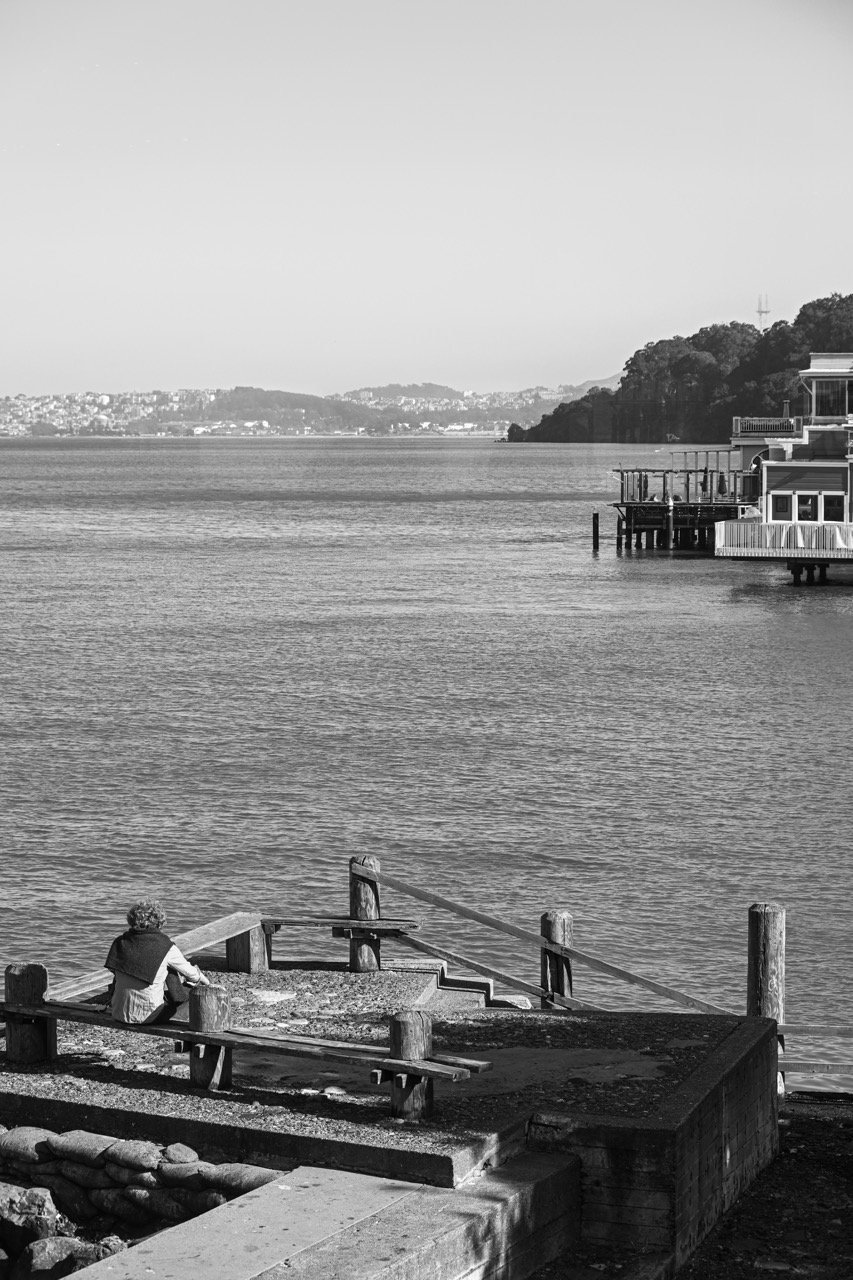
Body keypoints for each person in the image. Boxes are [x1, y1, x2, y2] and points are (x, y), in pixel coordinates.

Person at [105, 898, 210, 1025]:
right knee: (191, 993)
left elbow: (114, 970)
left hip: (118, 1013)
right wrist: (205, 982)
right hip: (149, 1016)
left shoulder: (120, 942)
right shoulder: (165, 946)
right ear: (159, 922)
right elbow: (192, 975)